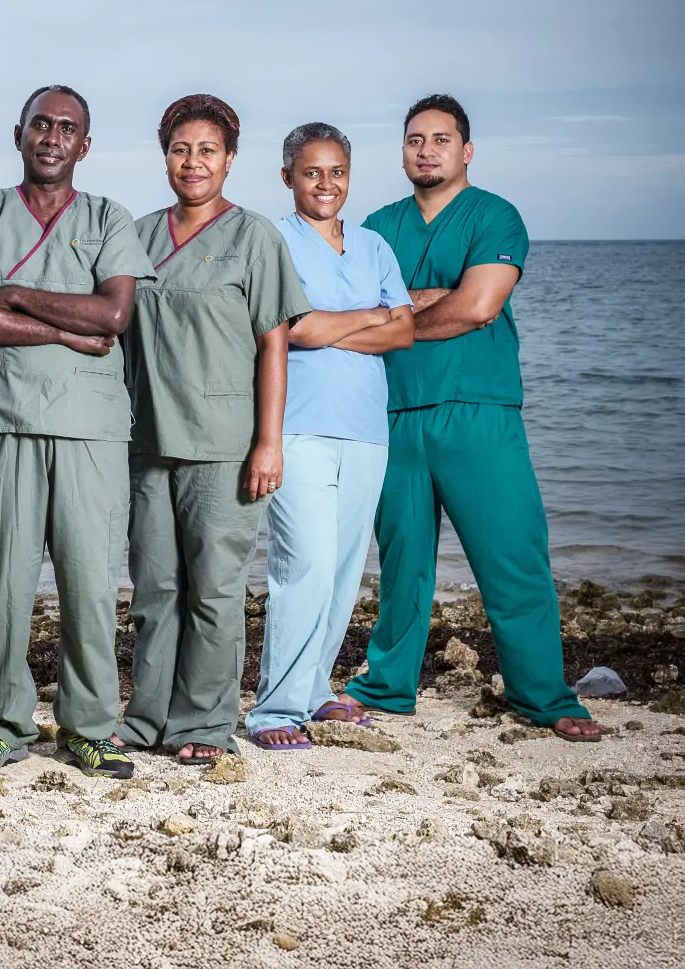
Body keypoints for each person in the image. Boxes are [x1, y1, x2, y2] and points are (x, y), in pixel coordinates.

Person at [339, 94, 600, 742]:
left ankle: (543, 695)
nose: (426, 150)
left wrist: (400, 313)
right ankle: (386, 685)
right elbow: (354, 306)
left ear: (466, 150)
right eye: (414, 140)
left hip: (478, 410)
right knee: (402, 566)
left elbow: (478, 307)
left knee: (512, 555)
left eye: (440, 139)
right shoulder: (376, 225)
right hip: (393, 411)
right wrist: (433, 299)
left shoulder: (494, 215)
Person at [0, 85, 156, 779]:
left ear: (84, 144)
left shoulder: (108, 218)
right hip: (0, 424)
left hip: (91, 430)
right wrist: (62, 330)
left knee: (90, 583)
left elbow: (113, 315)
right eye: (41, 125)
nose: (53, 137)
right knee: (3, 581)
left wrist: (17, 295)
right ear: (19, 134)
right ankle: (3, 722)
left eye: (67, 128)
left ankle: (90, 726)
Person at [114, 94, 310, 765]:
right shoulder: (136, 235)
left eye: (206, 150)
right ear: (164, 157)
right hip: (145, 440)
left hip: (224, 443)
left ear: (229, 159)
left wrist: (268, 442)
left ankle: (203, 722)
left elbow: (275, 343)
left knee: (215, 591)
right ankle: (146, 719)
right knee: (153, 589)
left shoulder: (254, 238)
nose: (192, 162)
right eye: (180, 149)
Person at [245, 123, 413, 751]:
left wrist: (330, 325)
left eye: (336, 171)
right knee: (305, 565)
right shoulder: (273, 241)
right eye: (311, 172)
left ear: (349, 176)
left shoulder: (374, 247)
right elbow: (289, 328)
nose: (325, 184)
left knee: (343, 570)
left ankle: (315, 690)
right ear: (287, 176)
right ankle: (274, 710)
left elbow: (403, 332)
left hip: (367, 430)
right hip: (297, 427)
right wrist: (368, 315)